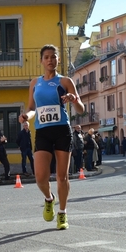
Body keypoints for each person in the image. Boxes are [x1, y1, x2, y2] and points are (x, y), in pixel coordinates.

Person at [19, 44, 83, 230]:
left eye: (53, 57)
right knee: (40, 177)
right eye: (46, 57)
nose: (50, 60)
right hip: (43, 132)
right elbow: (32, 108)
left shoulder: (65, 82)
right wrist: (26, 117)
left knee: (62, 177)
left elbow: (81, 109)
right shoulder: (35, 83)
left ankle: (62, 213)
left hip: (62, 130)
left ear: (58, 60)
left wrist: (73, 99)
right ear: (41, 61)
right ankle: (49, 198)